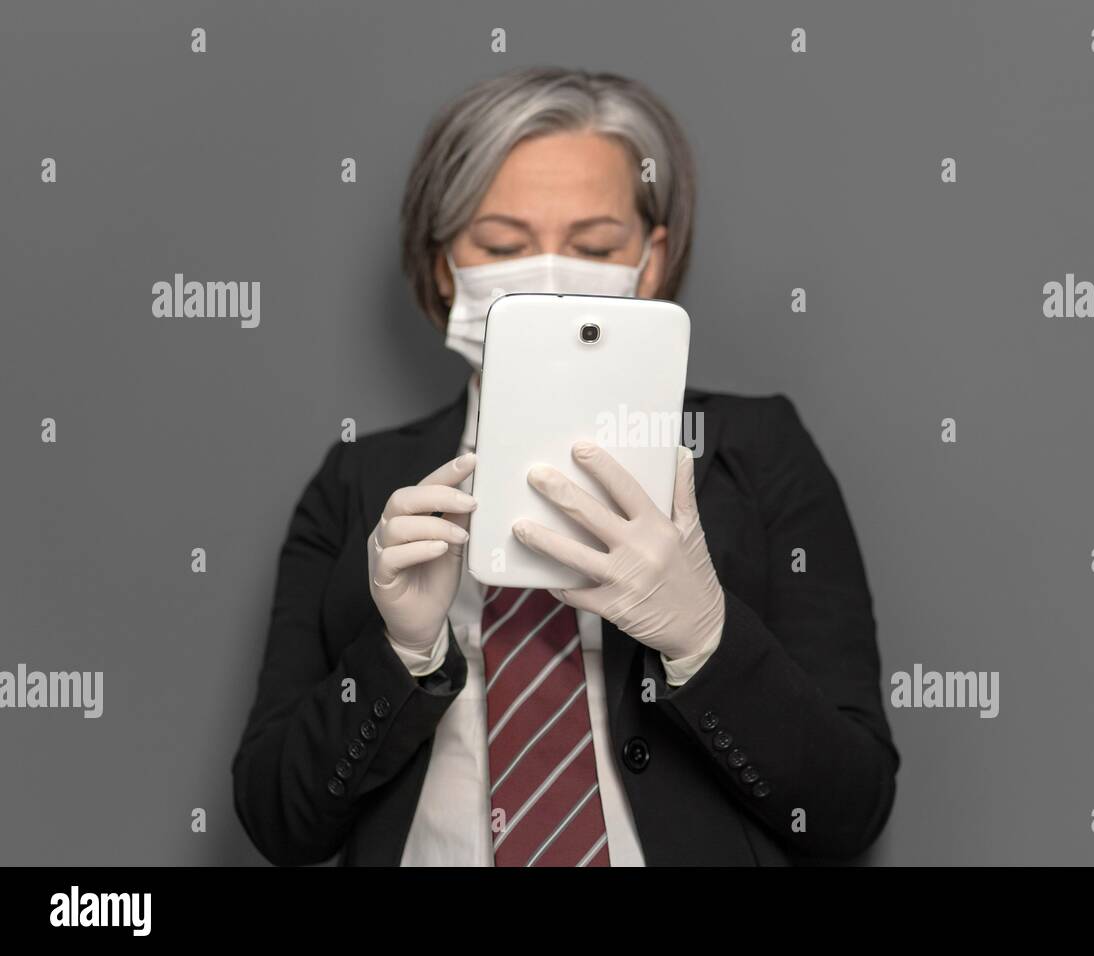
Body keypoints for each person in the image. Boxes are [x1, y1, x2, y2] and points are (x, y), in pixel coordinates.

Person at [232, 66, 898, 866]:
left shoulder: (760, 450)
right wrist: (402, 653)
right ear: (445, 265)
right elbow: (279, 821)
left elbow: (849, 810)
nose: (548, 274)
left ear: (649, 262)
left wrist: (703, 639)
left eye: (594, 246)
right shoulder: (357, 483)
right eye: (502, 244)